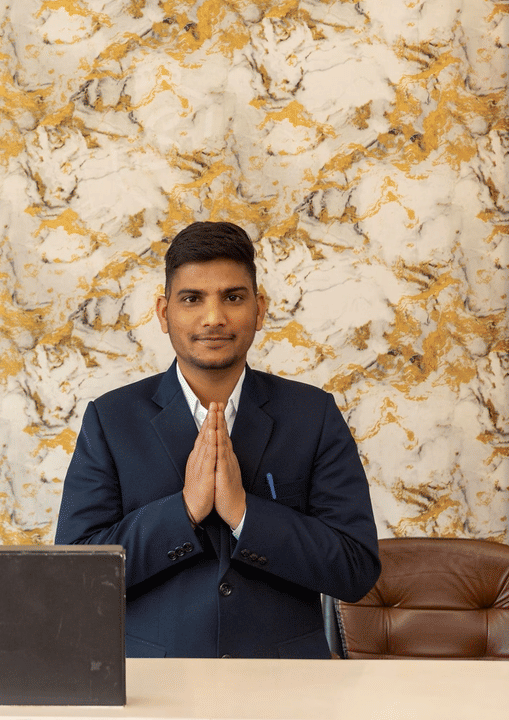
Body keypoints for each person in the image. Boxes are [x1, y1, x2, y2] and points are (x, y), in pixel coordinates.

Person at [55, 220, 381, 658]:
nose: (214, 318)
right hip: (154, 687)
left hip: (290, 686)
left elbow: (355, 571)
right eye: (192, 299)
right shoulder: (112, 420)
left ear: (260, 309)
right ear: (163, 312)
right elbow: (74, 575)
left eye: (233, 297)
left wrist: (245, 512)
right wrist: (184, 510)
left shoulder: (313, 414)